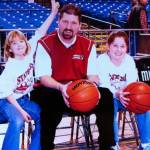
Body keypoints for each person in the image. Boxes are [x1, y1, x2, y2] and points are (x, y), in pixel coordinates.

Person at [35, 3, 117, 150]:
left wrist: (89, 88)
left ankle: (107, 145)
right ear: (58, 22)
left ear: (79, 26)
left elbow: (92, 76)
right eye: (65, 21)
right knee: (49, 100)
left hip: (78, 90)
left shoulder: (88, 45)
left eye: (73, 23)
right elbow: (44, 77)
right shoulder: (45, 43)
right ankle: (47, 146)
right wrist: (61, 87)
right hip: (55, 88)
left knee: (106, 96)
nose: (69, 26)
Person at [0, 0, 59, 150]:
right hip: (7, 101)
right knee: (18, 120)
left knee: (45, 117)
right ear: (10, 49)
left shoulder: (28, 54)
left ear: (26, 43)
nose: (19, 44)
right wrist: (21, 111)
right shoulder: (10, 67)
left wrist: (53, 13)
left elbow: (41, 32)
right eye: (14, 43)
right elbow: (6, 93)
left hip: (24, 100)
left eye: (21, 41)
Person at [97, 30, 150, 150]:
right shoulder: (101, 60)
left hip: (126, 96)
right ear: (108, 46)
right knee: (109, 103)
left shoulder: (129, 60)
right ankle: (113, 144)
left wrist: (126, 94)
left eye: (122, 46)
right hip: (111, 97)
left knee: (144, 103)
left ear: (126, 48)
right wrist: (117, 93)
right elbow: (103, 84)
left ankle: (146, 144)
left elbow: (132, 83)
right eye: (115, 45)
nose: (118, 49)